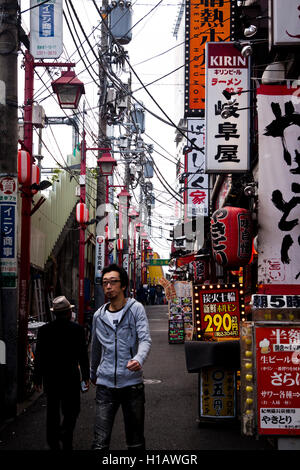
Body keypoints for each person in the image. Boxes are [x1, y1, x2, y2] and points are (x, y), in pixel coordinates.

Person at [90, 263, 152, 451]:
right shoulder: (98, 316)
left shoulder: (136, 309)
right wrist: (93, 373)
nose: (108, 286)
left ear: (123, 285)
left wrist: (138, 359)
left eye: (113, 282)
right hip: (105, 385)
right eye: (105, 283)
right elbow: (95, 348)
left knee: (135, 442)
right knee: (100, 443)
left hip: (132, 385)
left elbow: (145, 339)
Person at [33, 296, 90, 451]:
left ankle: (53, 440)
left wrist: (37, 378)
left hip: (51, 377)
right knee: (72, 409)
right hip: (70, 375)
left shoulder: (44, 330)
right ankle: (66, 434)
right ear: (69, 312)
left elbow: (40, 355)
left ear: (55, 313)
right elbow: (83, 355)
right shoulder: (77, 330)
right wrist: (85, 376)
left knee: (52, 410)